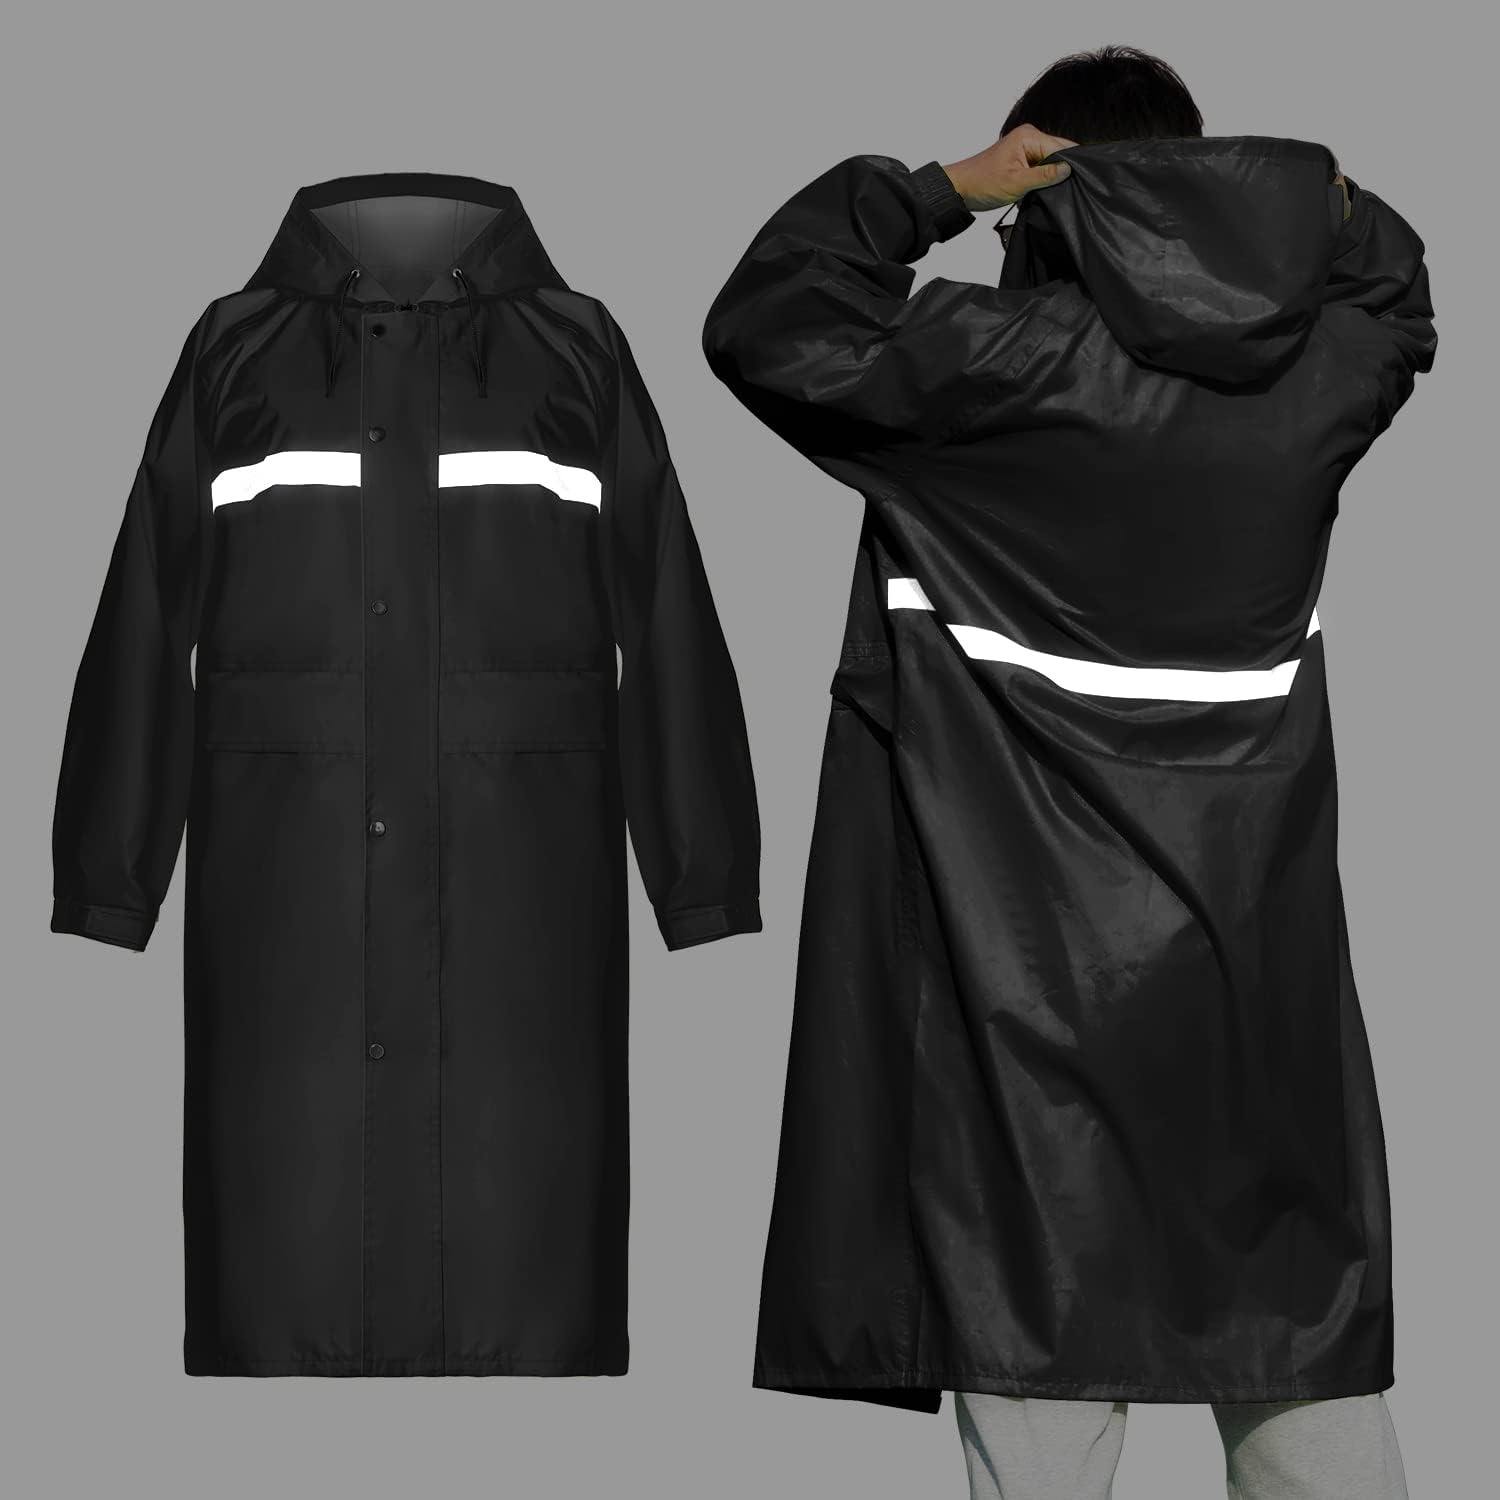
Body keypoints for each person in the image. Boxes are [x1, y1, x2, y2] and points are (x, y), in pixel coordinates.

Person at [703, 45, 1433, 1500]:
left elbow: (767, 321)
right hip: (1255, 1006)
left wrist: (936, 191)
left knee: (1041, 1369)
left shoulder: (981, 370)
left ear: (1050, 196)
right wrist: (1316, 207)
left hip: (1024, 1010)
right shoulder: (1312, 385)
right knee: (1295, 1364)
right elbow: (1397, 304)